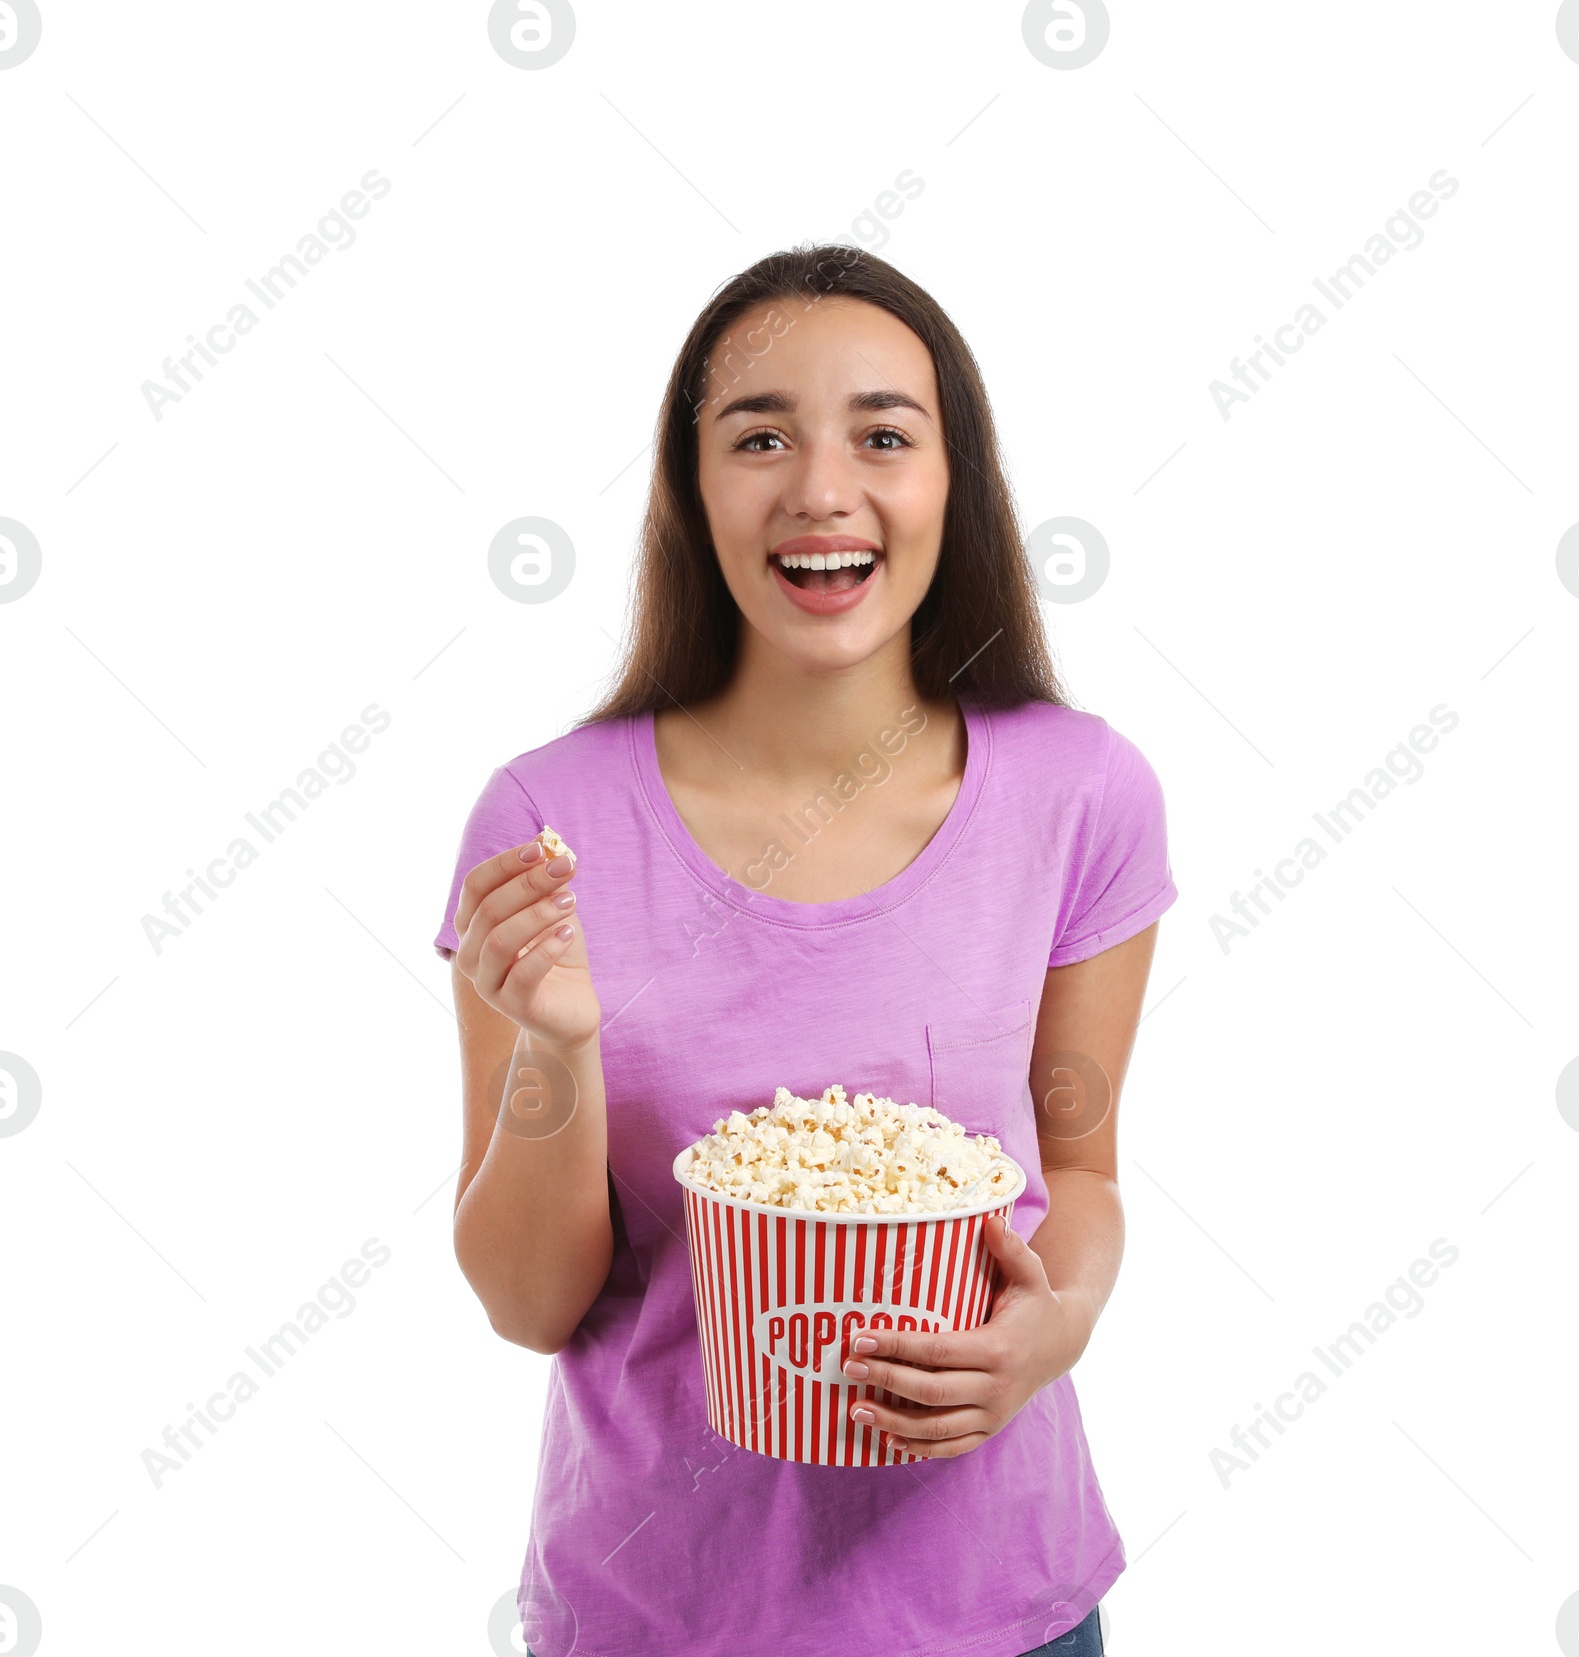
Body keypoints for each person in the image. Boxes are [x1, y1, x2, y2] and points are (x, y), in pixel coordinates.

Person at [434, 244, 1177, 1657]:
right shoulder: (546, 820)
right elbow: (528, 1300)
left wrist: (1056, 1326)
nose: (821, 489)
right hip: (660, 1610)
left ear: (953, 483)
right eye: (759, 434)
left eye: (883, 435)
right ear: (690, 485)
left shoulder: (1082, 794)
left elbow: (1077, 1171)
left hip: (1001, 1604)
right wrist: (560, 1039)